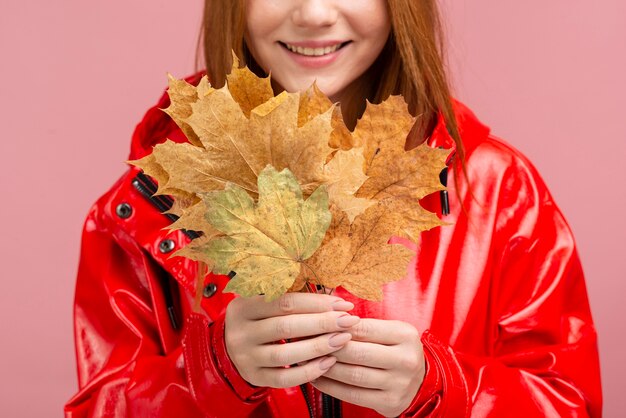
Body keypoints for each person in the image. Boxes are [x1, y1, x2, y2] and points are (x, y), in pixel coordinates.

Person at [64, 1, 602, 417]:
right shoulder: (145, 209)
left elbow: (566, 401)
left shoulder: (499, 193)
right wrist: (211, 372)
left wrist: (444, 388)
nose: (314, 14)